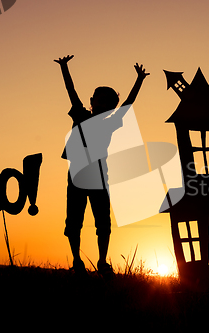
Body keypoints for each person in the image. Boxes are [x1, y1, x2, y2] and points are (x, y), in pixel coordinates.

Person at [54, 55, 149, 275]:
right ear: (92, 101)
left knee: (103, 223)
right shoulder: (80, 114)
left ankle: (102, 261)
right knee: (74, 222)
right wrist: (65, 68)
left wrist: (139, 80)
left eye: (108, 102)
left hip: (98, 179)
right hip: (77, 177)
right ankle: (77, 261)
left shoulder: (111, 123)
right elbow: (71, 91)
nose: (104, 104)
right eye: (100, 99)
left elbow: (128, 104)